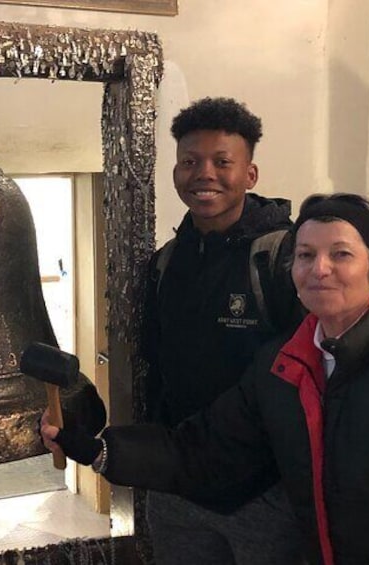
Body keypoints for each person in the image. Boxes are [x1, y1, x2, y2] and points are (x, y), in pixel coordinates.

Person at [42, 192, 369, 565]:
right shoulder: (283, 366)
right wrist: (94, 448)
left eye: (341, 254)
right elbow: (201, 449)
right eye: (305, 255)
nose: (320, 269)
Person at [139, 97, 306, 564]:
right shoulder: (167, 261)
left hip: (264, 492)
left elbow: (311, 379)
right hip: (179, 488)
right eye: (189, 162)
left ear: (249, 175)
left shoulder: (286, 258)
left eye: (221, 161)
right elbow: (157, 366)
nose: (203, 173)